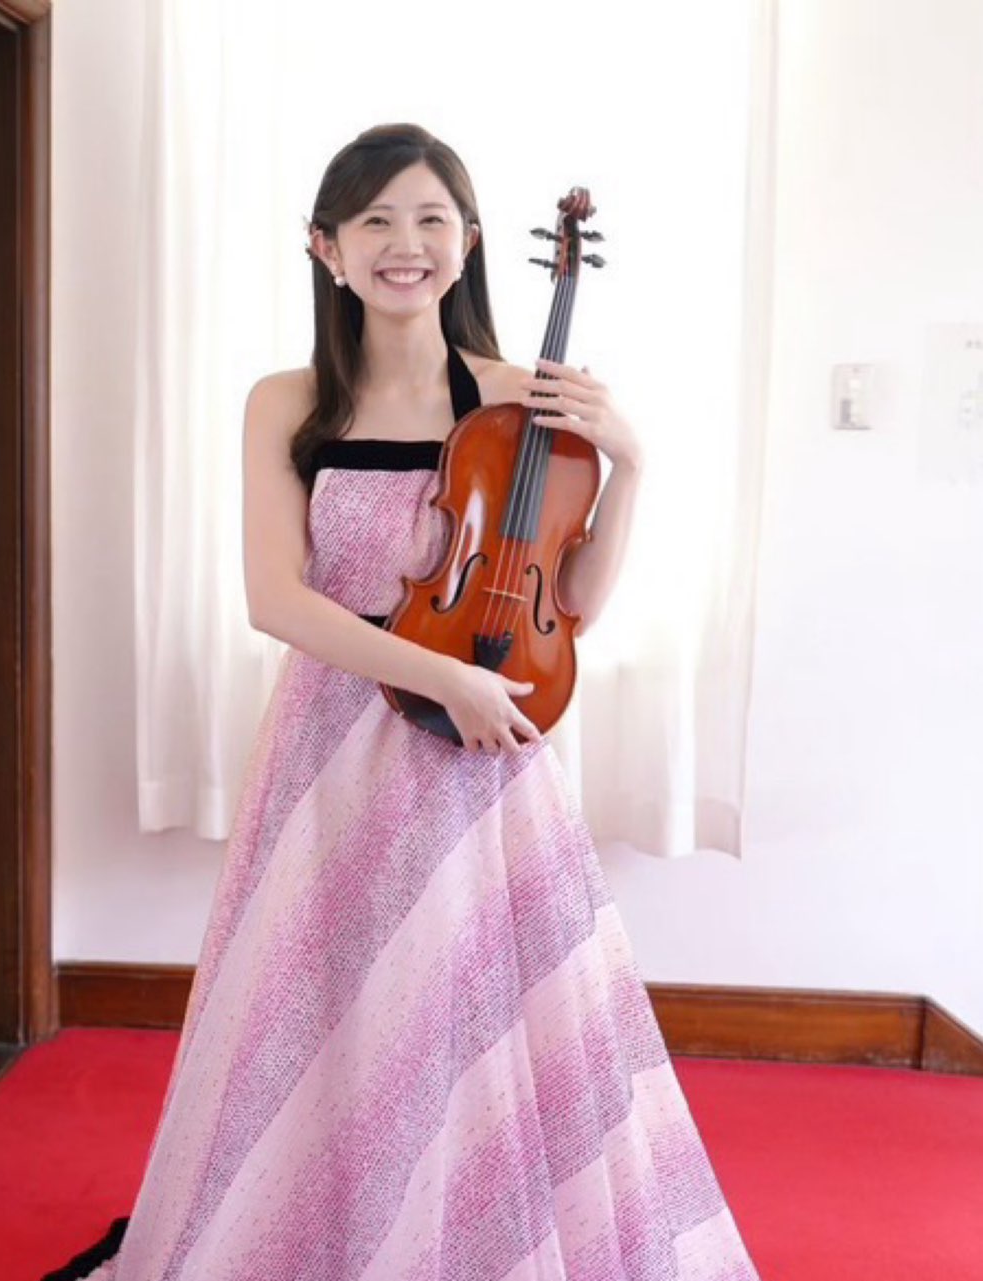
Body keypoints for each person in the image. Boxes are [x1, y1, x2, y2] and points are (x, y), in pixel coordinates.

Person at [43, 122, 761, 1281]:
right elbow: (275, 599)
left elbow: (568, 600)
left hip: (480, 758)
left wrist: (629, 465)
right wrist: (443, 677)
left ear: (468, 243)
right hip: (335, 749)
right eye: (374, 219)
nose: (404, 243)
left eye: (430, 218)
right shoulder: (284, 403)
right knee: (325, 1014)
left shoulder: (519, 398)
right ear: (324, 247)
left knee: (476, 1014)